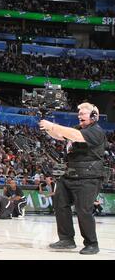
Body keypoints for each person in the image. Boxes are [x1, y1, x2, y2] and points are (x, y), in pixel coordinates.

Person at [39, 102, 106, 255]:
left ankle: (92, 243)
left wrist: (53, 125)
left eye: (83, 113)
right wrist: (48, 128)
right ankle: (66, 239)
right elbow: (60, 135)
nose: (79, 115)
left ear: (94, 116)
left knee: (83, 210)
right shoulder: (77, 129)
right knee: (60, 204)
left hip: (89, 176)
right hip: (70, 174)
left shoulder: (96, 131)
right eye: (79, 113)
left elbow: (75, 136)